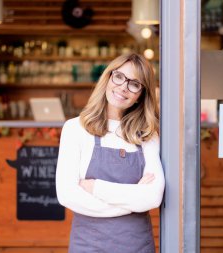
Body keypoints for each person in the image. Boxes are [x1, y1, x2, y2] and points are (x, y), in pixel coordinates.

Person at [55, 53, 165, 253]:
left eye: (134, 84)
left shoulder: (148, 136)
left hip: (136, 246)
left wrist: (95, 187)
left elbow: (152, 197)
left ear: (141, 94)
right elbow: (67, 195)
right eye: (119, 77)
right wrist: (132, 201)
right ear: (108, 77)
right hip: (88, 246)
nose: (123, 87)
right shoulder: (75, 129)